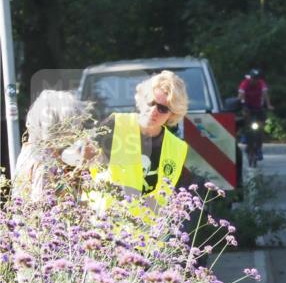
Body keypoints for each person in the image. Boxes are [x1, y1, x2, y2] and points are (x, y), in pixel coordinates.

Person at [95, 70, 192, 208]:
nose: (153, 111)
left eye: (163, 109)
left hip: (148, 227)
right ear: (141, 99)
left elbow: (168, 198)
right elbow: (82, 163)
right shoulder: (114, 124)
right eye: (150, 102)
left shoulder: (178, 148)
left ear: (172, 115)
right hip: (106, 223)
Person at [13, 90, 97, 201]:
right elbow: (44, 207)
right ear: (59, 123)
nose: (77, 129)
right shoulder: (44, 163)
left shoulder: (29, 150)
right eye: (74, 123)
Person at [238, 68, 273, 161]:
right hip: (247, 106)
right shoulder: (245, 83)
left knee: (260, 127)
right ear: (250, 78)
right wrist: (241, 105)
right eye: (253, 78)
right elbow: (241, 95)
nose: (255, 80)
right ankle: (244, 135)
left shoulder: (261, 83)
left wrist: (269, 105)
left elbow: (265, 94)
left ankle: (259, 149)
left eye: (257, 78)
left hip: (257, 106)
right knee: (245, 119)